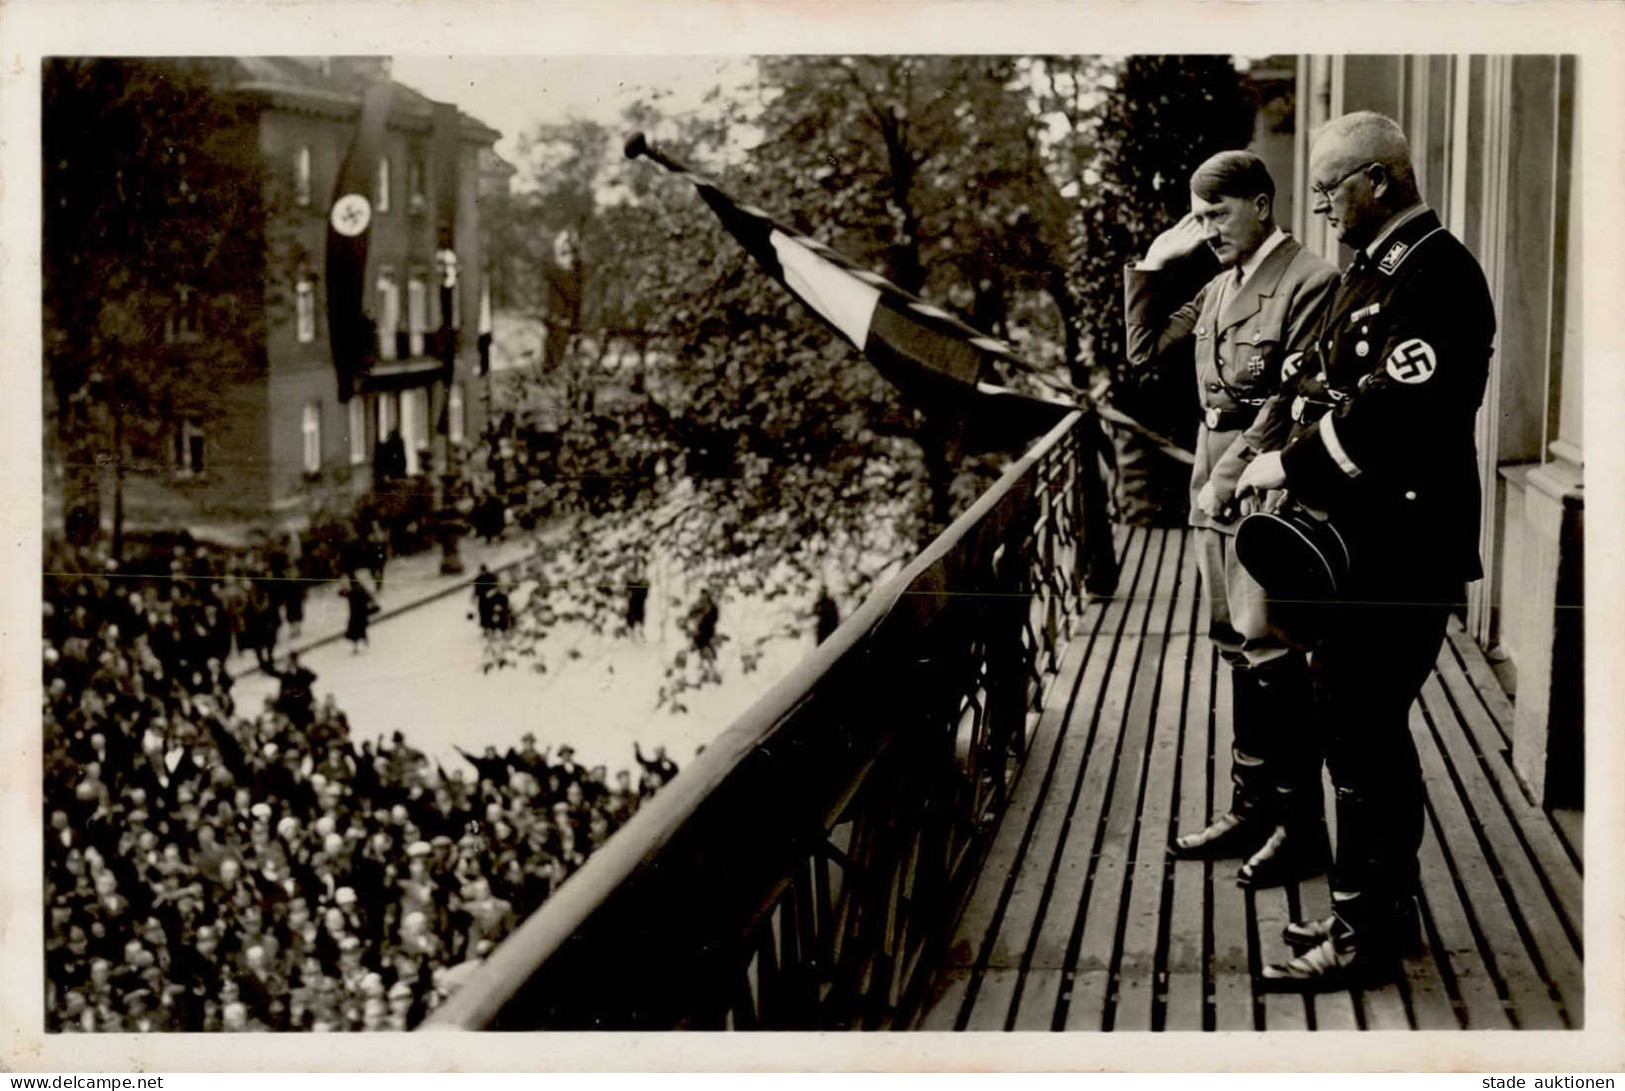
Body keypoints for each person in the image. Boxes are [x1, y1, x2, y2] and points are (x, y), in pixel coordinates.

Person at [1235, 112, 1496, 988]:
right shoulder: (1375, 270)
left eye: (1325, 190)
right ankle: (1380, 911)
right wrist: (1270, 437)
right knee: (1362, 731)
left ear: (1378, 182)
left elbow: (1391, 411)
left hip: (1403, 550)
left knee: (1358, 731)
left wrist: (1285, 460)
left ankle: (1361, 937)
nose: (1317, 209)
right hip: (1363, 545)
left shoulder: (1439, 277)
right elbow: (1318, 374)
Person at [1124, 150, 1339, 887]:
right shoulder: (1218, 288)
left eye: (1217, 213)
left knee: (1272, 651)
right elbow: (1144, 353)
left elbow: (1291, 401)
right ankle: (1251, 808)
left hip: (1262, 487)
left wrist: (1223, 477)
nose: (1207, 228)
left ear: (1260, 202)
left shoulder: (1310, 280)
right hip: (1211, 480)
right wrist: (1154, 262)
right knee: (1232, 645)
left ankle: (1299, 825)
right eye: (1198, 216)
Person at [341, 575, 375, 654]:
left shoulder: (354, 593)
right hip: (358, 615)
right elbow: (341, 594)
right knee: (359, 631)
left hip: (358, 615)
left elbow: (342, 594)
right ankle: (361, 643)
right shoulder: (357, 593)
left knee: (358, 631)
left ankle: (361, 644)